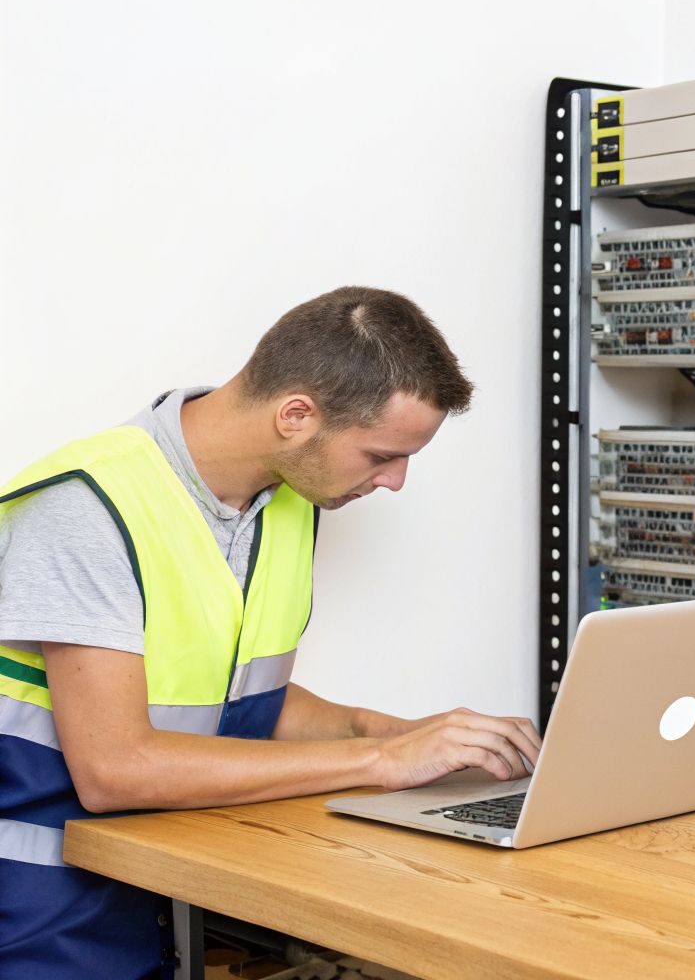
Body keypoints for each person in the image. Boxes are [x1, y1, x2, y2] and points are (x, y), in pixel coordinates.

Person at [0, 286, 542, 978]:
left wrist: (393, 733)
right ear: (295, 415)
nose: (397, 481)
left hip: (178, 888)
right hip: (47, 921)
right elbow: (114, 768)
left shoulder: (282, 503)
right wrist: (381, 764)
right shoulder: (85, 509)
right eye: (380, 455)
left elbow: (243, 698)